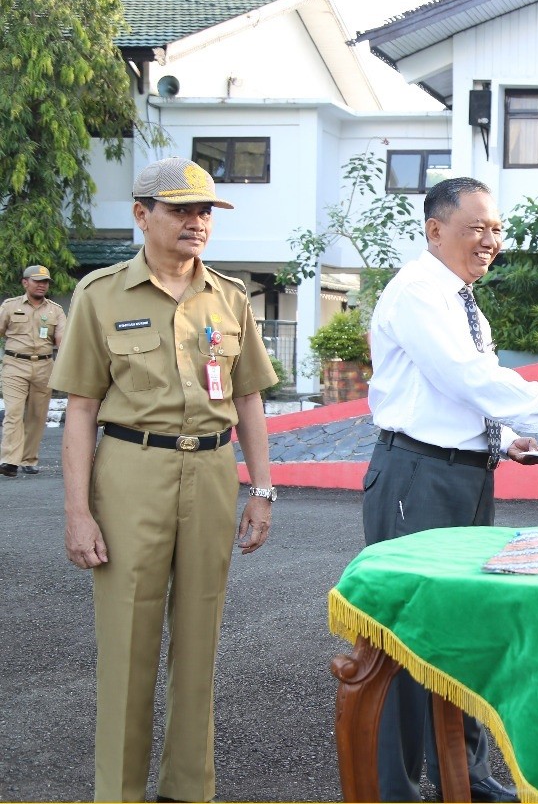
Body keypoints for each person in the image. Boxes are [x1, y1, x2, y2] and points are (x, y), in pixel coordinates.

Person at [362, 176, 538, 803]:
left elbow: (471, 391)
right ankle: (398, 787)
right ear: (434, 229)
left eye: (497, 229)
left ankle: (461, 777)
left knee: (464, 625)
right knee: (409, 634)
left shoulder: (462, 299)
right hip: (416, 478)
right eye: (477, 228)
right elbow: (464, 377)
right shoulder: (419, 292)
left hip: (464, 474)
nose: (491, 241)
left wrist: (507, 439)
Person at [51, 157, 278, 802]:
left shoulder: (230, 298)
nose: (196, 222)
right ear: (141, 214)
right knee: (126, 640)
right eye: (180, 209)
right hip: (130, 470)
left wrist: (260, 490)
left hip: (210, 469)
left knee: (200, 636)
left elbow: (249, 402)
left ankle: (188, 790)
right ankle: (119, 792)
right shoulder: (100, 295)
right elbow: (82, 410)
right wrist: (77, 512)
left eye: (205, 211)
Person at [0, 264, 66, 476]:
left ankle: (28, 459)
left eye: (45, 282)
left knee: (37, 415)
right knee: (14, 412)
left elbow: (62, 341)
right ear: (25, 282)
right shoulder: (10, 306)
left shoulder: (55, 310)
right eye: (37, 281)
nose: (42, 285)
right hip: (14, 365)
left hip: (44, 366)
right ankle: (9, 460)